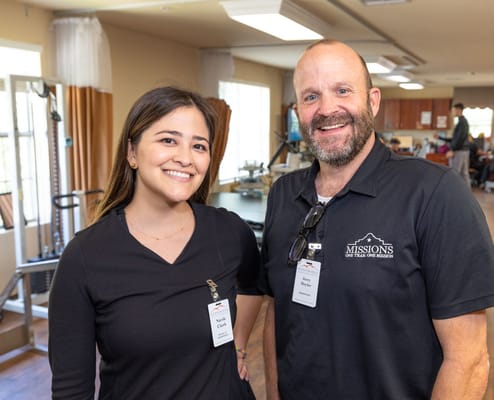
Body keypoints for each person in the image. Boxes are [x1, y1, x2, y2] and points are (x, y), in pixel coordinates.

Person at [260, 39, 494, 400]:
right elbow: (277, 312)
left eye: (342, 90)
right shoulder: (283, 194)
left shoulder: (435, 194)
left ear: (372, 101)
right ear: (298, 111)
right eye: (311, 97)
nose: (326, 109)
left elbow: (469, 360)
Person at [49, 86, 263, 399]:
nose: (186, 158)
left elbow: (252, 286)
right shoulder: (85, 257)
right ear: (132, 153)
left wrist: (239, 344)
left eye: (199, 146)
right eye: (168, 140)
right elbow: (71, 391)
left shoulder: (229, 231)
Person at [445, 102, 471, 186]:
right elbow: (455, 139)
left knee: (454, 173)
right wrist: (439, 137)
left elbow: (459, 138)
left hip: (459, 151)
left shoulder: (462, 122)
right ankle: (467, 195)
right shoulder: (462, 122)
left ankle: (454, 194)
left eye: (453, 110)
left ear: (458, 110)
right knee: (464, 174)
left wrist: (452, 150)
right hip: (463, 151)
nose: (453, 112)